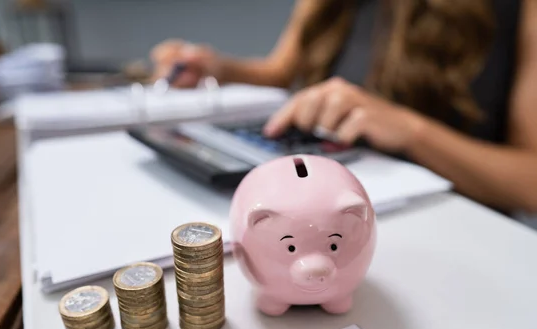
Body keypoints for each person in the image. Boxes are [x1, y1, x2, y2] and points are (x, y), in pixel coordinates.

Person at [150, 0, 537, 215]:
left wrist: (411, 131)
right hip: (325, 200)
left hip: (452, 224)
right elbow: (281, 71)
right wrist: (221, 68)